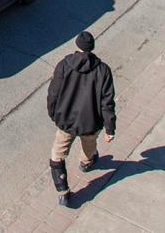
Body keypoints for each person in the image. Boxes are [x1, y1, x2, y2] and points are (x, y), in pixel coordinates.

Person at [45, 31, 117, 208]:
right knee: (89, 146)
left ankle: (63, 192)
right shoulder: (103, 70)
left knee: (57, 155)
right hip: (91, 122)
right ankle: (86, 162)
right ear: (92, 48)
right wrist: (110, 128)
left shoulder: (64, 65)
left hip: (66, 121)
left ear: (77, 46)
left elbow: (53, 93)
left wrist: (54, 114)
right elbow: (107, 102)